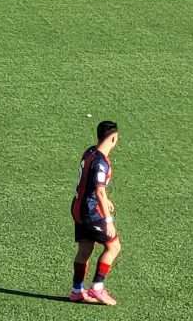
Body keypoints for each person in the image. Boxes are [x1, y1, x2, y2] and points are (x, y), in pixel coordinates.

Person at [69, 121, 121, 306]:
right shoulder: (101, 161)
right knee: (113, 247)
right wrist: (108, 220)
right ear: (113, 138)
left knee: (85, 249)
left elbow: (87, 181)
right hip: (91, 211)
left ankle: (77, 291)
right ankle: (97, 288)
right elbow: (99, 190)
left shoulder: (90, 152)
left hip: (77, 208)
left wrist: (105, 199)